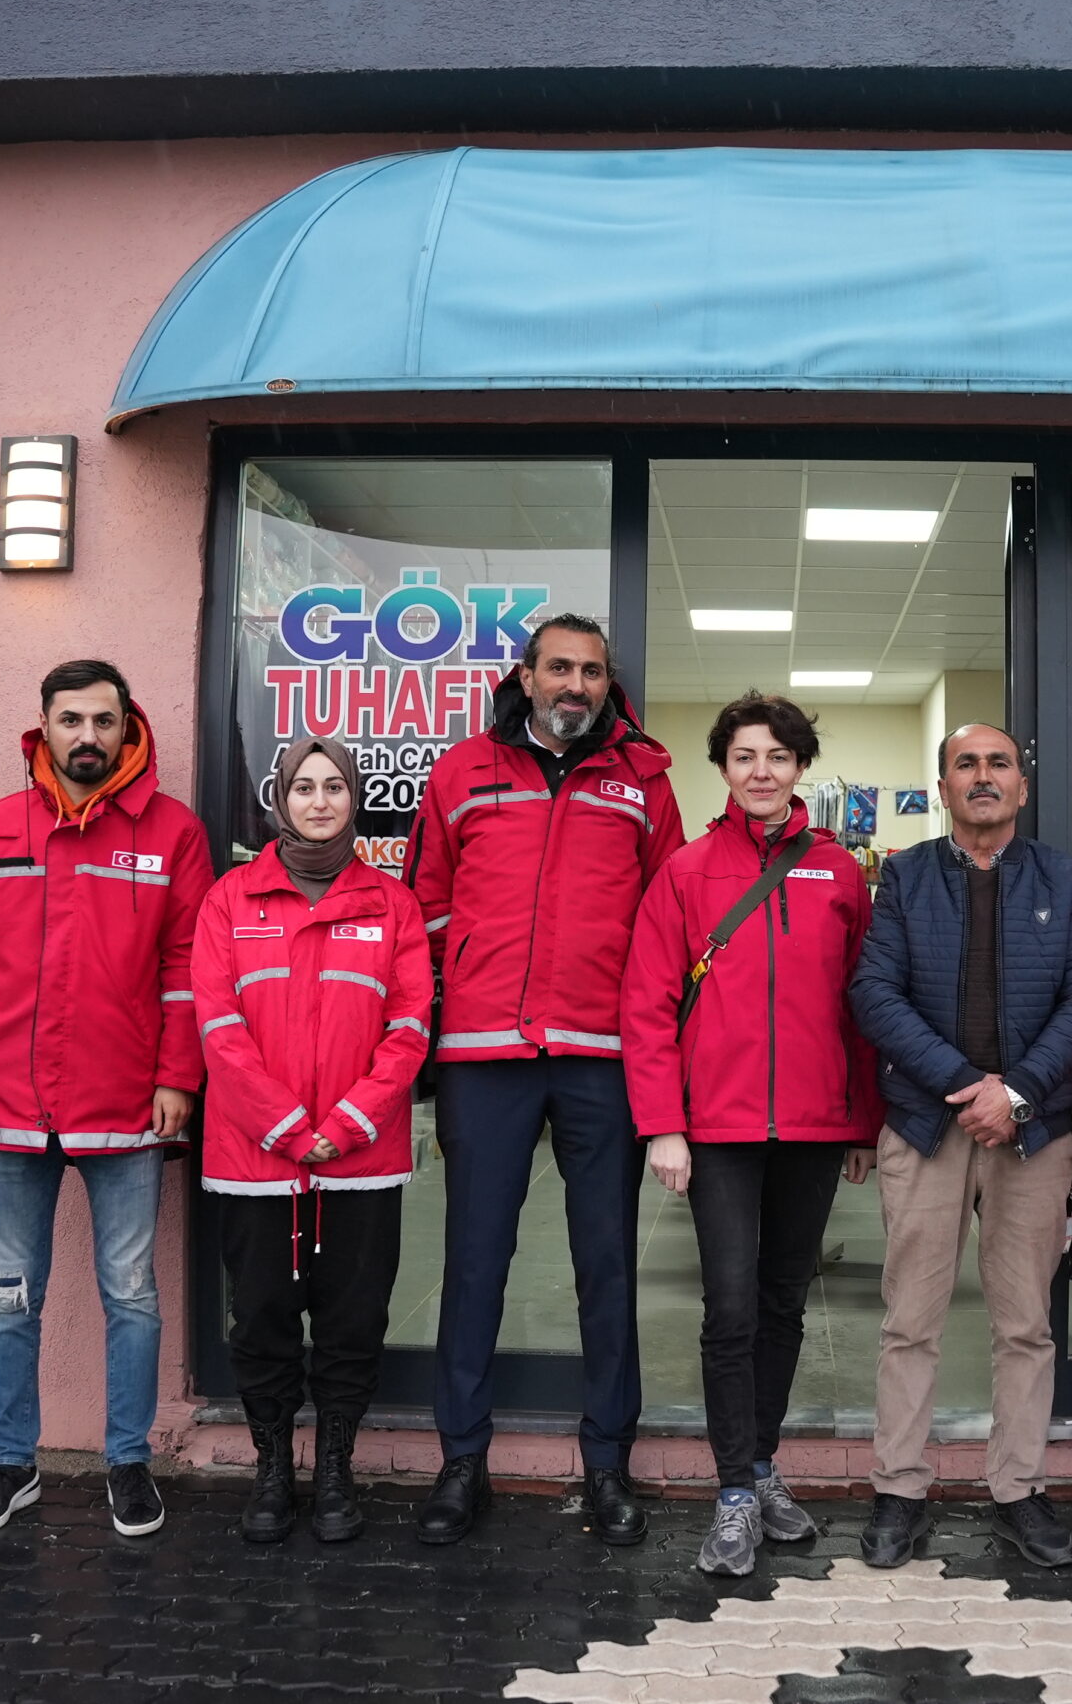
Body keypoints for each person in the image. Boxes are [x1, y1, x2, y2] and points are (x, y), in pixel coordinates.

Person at [404, 612, 684, 1545]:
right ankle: (461, 1460)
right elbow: (426, 907)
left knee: (606, 1266)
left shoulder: (645, 783)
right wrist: (457, 1001)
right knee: (474, 1263)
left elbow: (667, 925)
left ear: (609, 685)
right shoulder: (461, 773)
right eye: (559, 667)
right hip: (485, 1057)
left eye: (592, 672)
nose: (575, 684)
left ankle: (607, 1463)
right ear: (524, 676)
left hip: (602, 1060)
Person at [0, 659, 212, 1540]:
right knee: (9, 1295)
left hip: (124, 1107)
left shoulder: (173, 836)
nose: (88, 736)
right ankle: (12, 1467)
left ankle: (128, 1465)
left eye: (104, 720)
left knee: (130, 1291)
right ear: (41, 728)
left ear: (131, 728)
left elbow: (185, 970)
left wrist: (176, 1077)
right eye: (71, 719)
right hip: (8, 1107)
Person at [622, 692, 883, 1577]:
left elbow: (862, 1007)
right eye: (744, 757)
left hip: (814, 1126)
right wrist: (663, 1126)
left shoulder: (839, 873)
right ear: (724, 768)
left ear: (799, 765)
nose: (761, 771)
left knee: (781, 1305)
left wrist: (862, 1121)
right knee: (729, 1307)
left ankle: (765, 1468)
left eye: (777, 756)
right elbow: (647, 1007)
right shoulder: (688, 872)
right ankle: (734, 1491)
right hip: (719, 1129)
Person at [845, 723, 1072, 1569]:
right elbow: (874, 993)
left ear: (1021, 788)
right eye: (967, 765)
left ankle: (1019, 1490)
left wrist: (1019, 1092)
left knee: (1025, 1324)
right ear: (945, 785)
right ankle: (899, 1490)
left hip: (1032, 1132)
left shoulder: (1063, 878)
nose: (985, 777)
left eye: (999, 764)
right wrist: (968, 1085)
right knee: (909, 1320)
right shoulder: (906, 876)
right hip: (928, 1124)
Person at [191, 736, 430, 1545]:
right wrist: (290, 1128)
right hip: (255, 1161)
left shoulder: (391, 905)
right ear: (282, 799)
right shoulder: (229, 901)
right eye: (305, 787)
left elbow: (409, 1027)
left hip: (360, 1162)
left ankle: (334, 1470)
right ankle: (271, 1472)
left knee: (353, 1322)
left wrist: (349, 1124)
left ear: (353, 800)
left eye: (334, 787)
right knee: (259, 1321)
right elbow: (218, 1028)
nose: (320, 801)